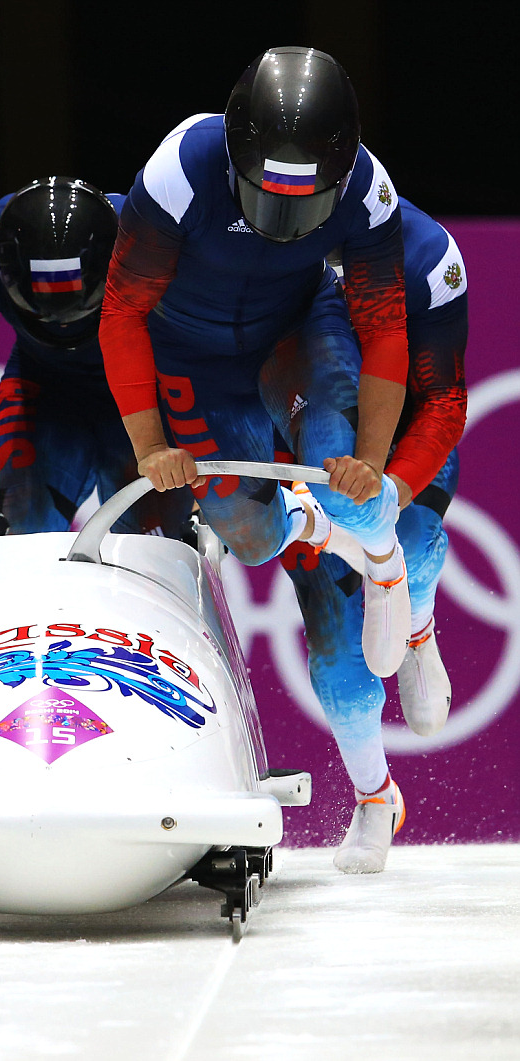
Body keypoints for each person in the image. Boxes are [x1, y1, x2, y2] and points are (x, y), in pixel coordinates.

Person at [98, 47, 412, 827]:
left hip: (297, 332)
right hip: (194, 358)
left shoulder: (370, 193)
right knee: (253, 535)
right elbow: (122, 314)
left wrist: (372, 464)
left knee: (346, 471)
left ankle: (380, 549)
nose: (281, 225)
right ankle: (323, 528)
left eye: (303, 205)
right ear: (238, 157)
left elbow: (384, 326)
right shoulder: (178, 172)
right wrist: (148, 448)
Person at [281, 197, 467, 871]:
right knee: (340, 671)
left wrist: (397, 484)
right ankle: (375, 796)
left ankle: (415, 622)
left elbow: (444, 399)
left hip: (407, 418)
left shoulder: (429, 258)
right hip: (311, 416)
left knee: (410, 541)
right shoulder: (266, 249)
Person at [0, 176, 191, 537]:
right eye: (46, 310)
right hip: (45, 393)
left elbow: (208, 356)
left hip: (144, 398)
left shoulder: (153, 238)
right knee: (15, 537)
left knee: (155, 545)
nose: (62, 322)